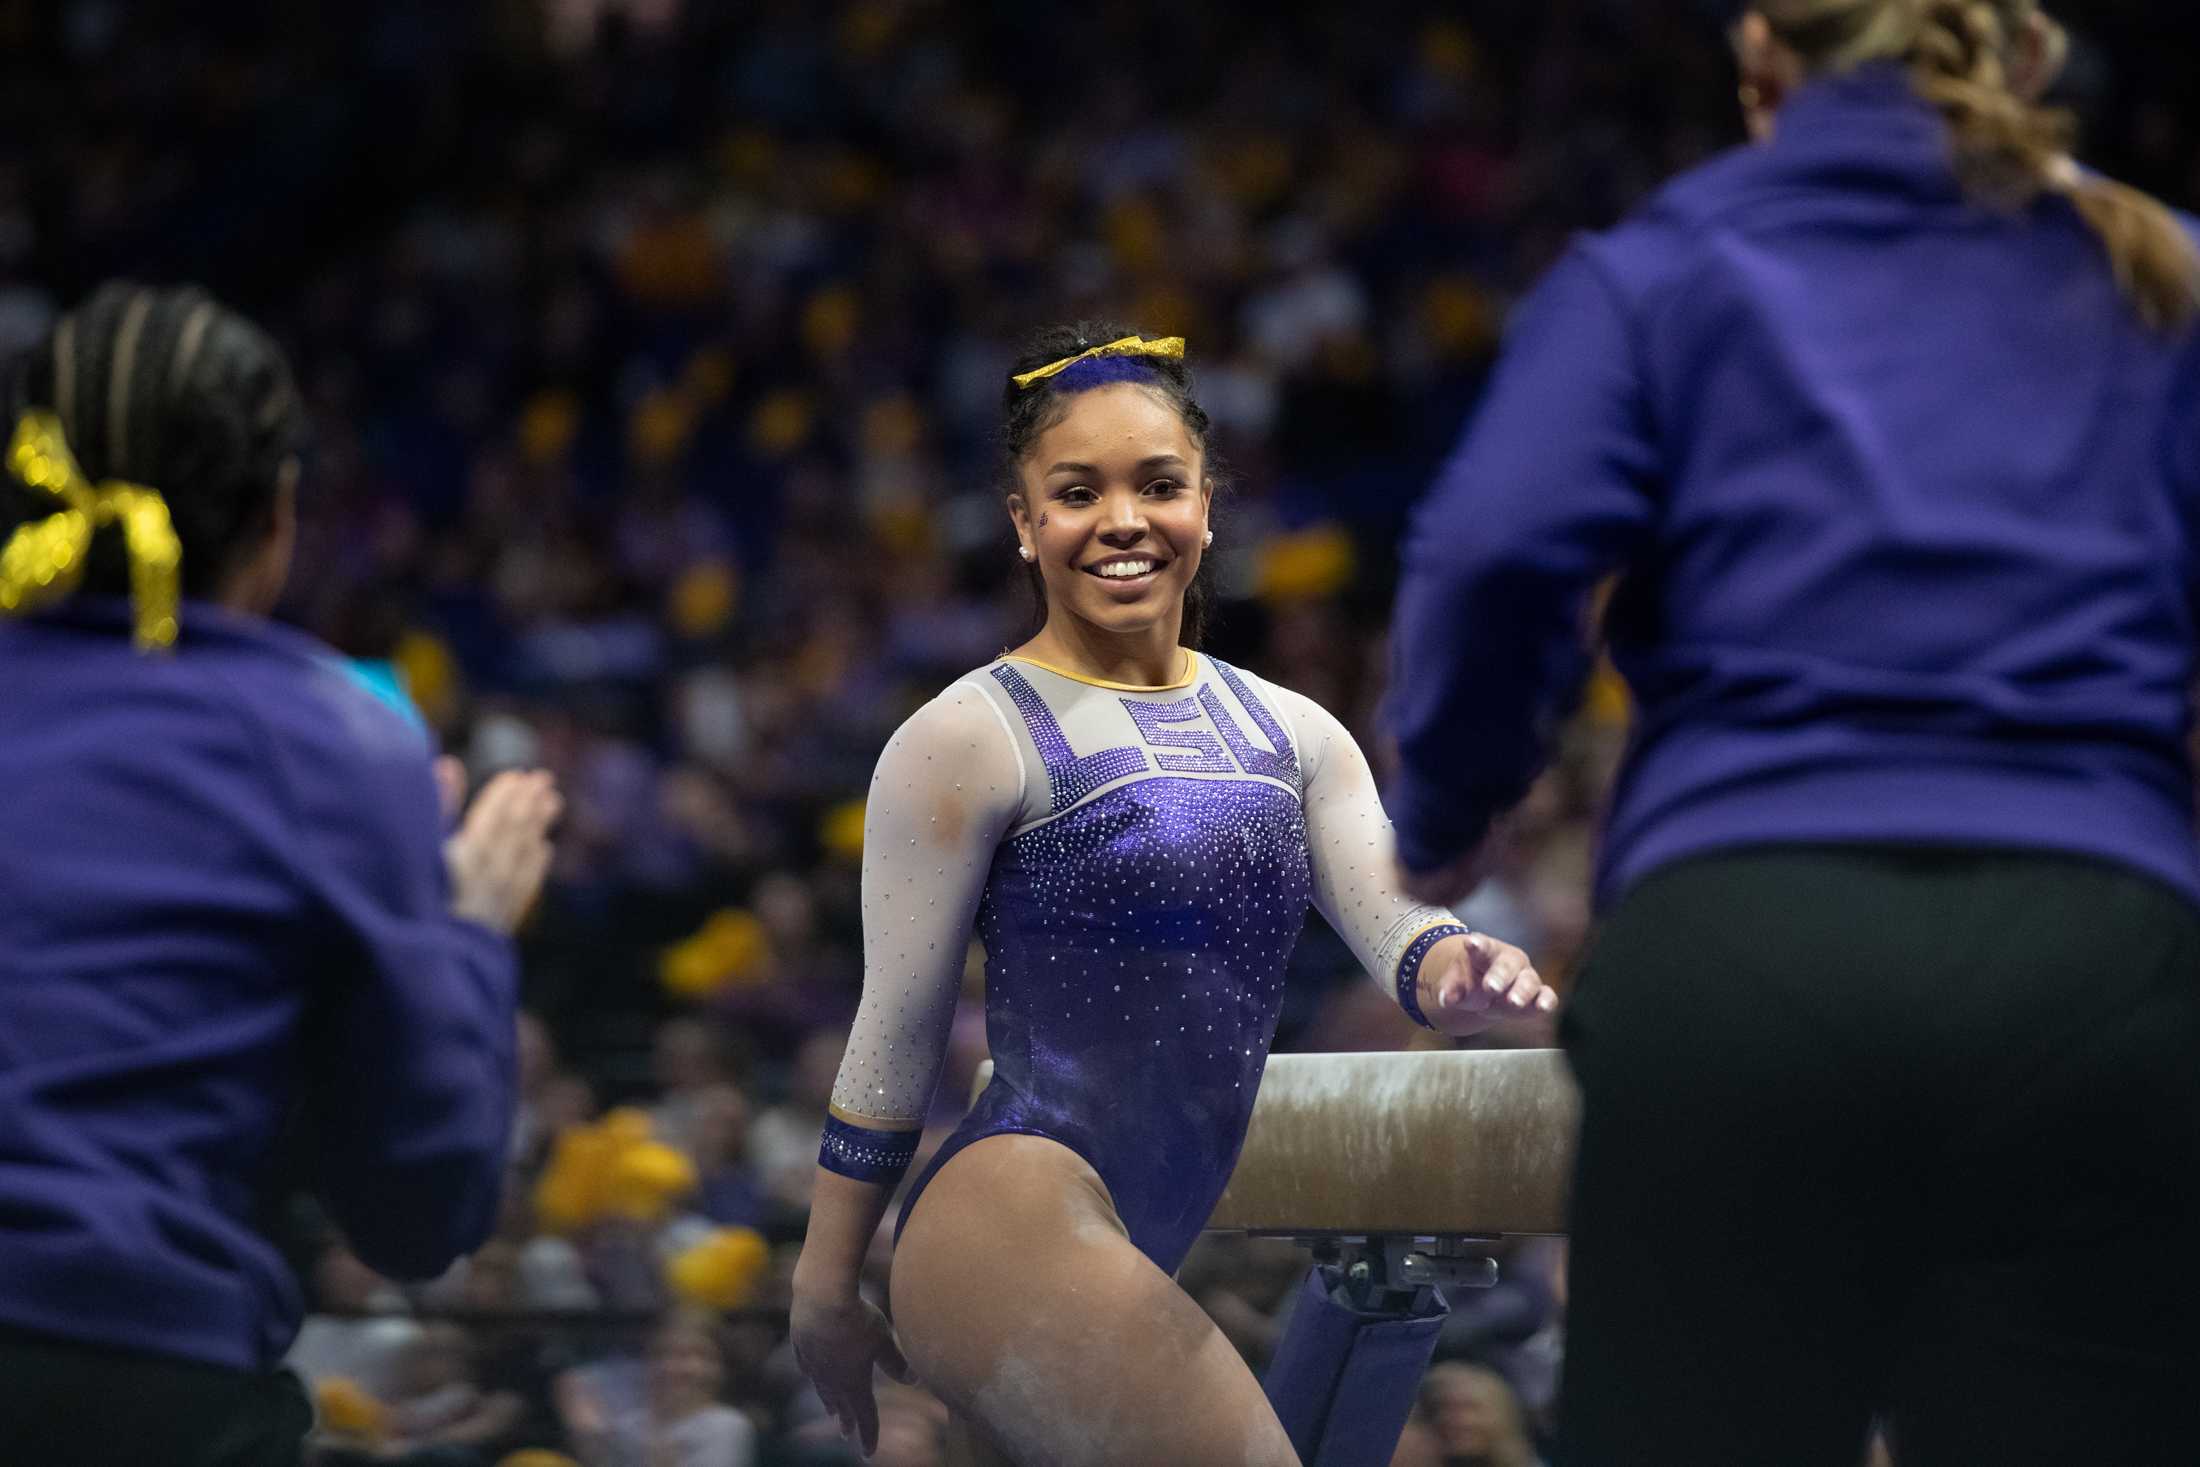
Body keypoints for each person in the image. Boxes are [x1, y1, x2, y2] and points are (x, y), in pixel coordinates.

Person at [1384, 4, 2200, 1464]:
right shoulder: (2157, 266)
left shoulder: (1662, 265)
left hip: (1740, 958)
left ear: (1760, 58)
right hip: (2099, 959)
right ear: (2017, 54)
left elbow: (1498, 547)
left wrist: (1448, 810)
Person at [790, 325, 1556, 1465]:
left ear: (1207, 504)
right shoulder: (967, 736)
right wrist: (822, 1282)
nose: (1121, 521)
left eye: (1158, 485)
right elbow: (895, 1029)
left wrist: (1460, 974)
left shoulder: (1294, 734)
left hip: (1129, 1235)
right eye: (1075, 492)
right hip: (1003, 1221)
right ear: (1020, 521)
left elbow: (1396, 919)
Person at [0, 283, 562, 1466]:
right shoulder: (332, 737)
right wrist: (468, 933)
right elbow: (417, 1209)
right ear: (280, 513)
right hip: (132, 1380)